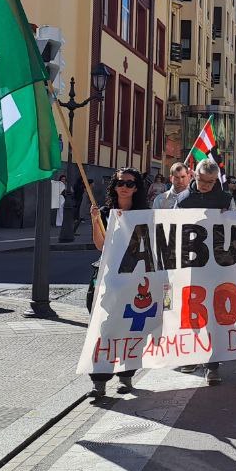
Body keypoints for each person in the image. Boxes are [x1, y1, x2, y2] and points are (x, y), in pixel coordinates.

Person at [89, 168, 150, 399]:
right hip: (108, 279)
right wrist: (96, 221)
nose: (124, 186)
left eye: (130, 183)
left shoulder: (145, 215)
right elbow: (100, 245)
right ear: (114, 186)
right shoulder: (106, 212)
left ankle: (126, 377)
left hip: (136, 281)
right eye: (120, 182)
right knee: (103, 329)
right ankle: (99, 382)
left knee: (130, 328)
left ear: (137, 188)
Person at [175, 159, 233, 384]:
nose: (206, 185)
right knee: (191, 313)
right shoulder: (182, 200)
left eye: (211, 181)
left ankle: (212, 365)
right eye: (202, 180)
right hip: (190, 265)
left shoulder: (225, 199)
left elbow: (235, 228)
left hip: (217, 266)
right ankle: (191, 354)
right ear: (193, 175)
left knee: (213, 314)